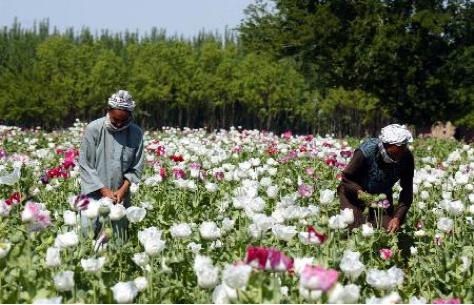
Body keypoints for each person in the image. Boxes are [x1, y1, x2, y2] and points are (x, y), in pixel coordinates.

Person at [79, 90, 144, 239]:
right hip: (93, 192)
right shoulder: (94, 129)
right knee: (87, 231)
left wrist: (122, 190)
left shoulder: (136, 133)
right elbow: (85, 164)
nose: (119, 124)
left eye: (124, 121)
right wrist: (103, 190)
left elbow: (136, 167)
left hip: (119, 196)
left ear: (130, 115)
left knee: (117, 238)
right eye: (115, 120)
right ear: (108, 111)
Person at [338, 124, 414, 233]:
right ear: (386, 145)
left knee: (388, 230)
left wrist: (397, 217)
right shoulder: (365, 152)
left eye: (403, 150)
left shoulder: (406, 157)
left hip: (381, 197)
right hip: (353, 194)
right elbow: (346, 178)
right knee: (354, 229)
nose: (399, 157)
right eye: (395, 154)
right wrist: (363, 195)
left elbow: (407, 190)